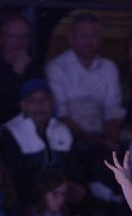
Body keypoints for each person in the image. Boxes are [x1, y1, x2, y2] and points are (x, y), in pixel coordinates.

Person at [45, 12, 125, 148]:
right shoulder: (56, 67)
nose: (88, 41)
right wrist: (93, 142)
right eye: (83, 35)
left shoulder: (109, 67)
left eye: (94, 35)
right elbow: (61, 113)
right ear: (71, 38)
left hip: (103, 137)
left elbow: (112, 108)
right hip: (68, 139)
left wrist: (109, 139)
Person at [0, 78, 73, 195]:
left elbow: (72, 168)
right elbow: (14, 179)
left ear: (52, 103)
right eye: (32, 100)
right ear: (23, 105)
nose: (39, 105)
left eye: (44, 99)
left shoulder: (63, 130)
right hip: (26, 197)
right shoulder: (10, 132)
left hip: (62, 194)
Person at [0, 10, 43, 134]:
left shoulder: (33, 67)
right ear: (0, 38)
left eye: (24, 37)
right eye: (14, 36)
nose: (20, 42)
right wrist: (16, 75)